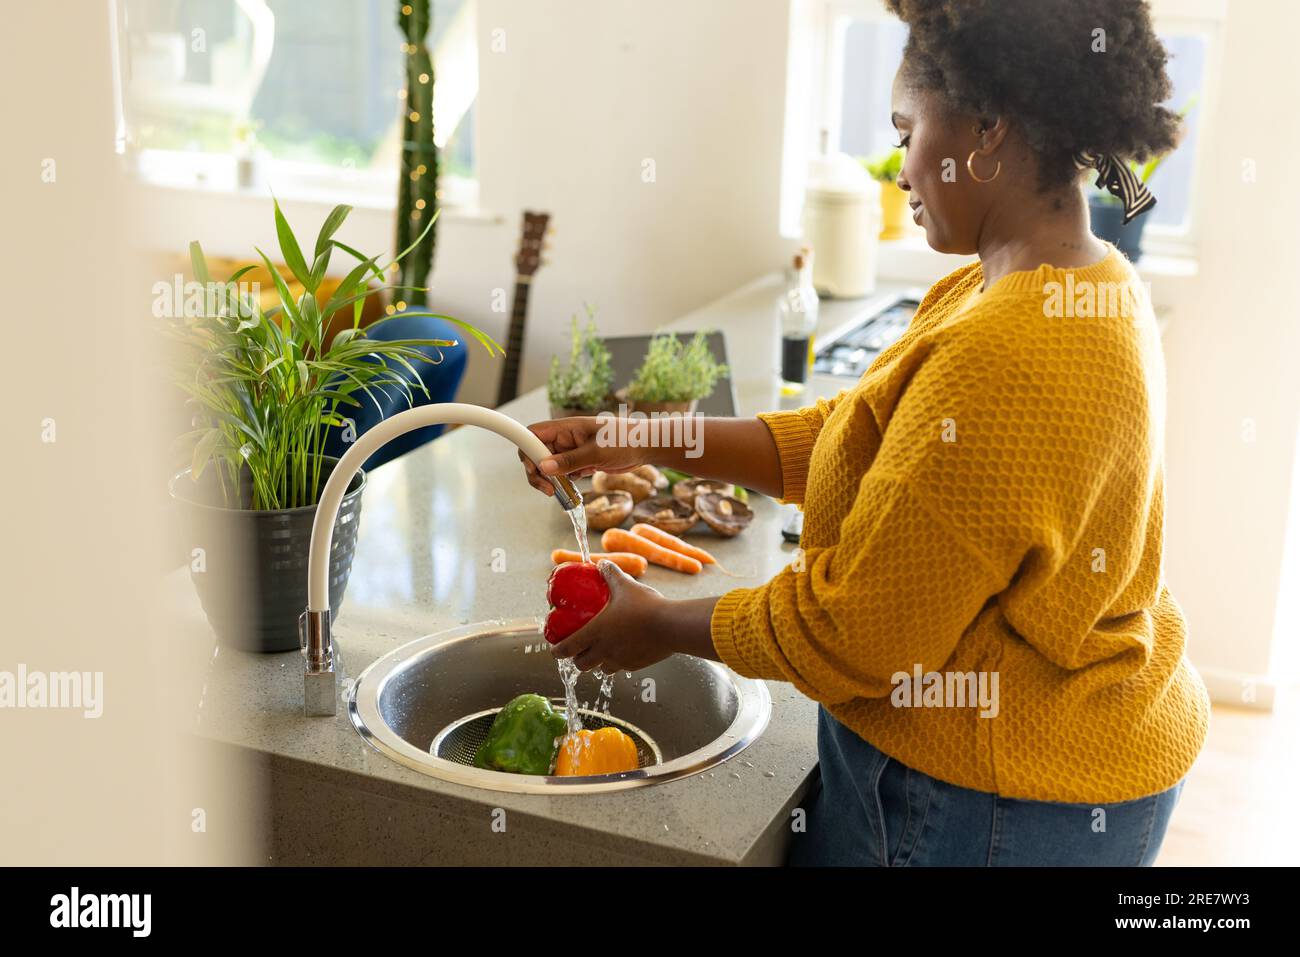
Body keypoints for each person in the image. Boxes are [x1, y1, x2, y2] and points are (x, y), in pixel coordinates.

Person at [519, 0, 1209, 866]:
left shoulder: (1012, 349)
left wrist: (660, 622)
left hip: (991, 803)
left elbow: (861, 636)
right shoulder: (1053, 281)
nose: (898, 166)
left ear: (987, 130)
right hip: (1057, 763)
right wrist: (653, 432)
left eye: (905, 128)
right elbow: (865, 439)